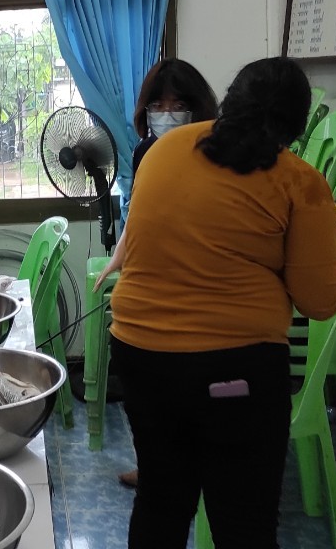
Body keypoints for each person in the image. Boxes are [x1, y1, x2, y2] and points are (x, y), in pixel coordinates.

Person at [109, 57, 336, 547]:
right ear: (296, 125)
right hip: (234, 368)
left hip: (138, 355)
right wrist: (320, 236)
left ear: (227, 100)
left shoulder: (162, 150)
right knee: (243, 519)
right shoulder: (299, 181)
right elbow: (321, 301)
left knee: (161, 496)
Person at [96, 58, 219, 488]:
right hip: (154, 285)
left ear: (199, 107)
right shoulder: (145, 151)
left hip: (198, 288)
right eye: (158, 104)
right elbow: (139, 215)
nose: (167, 113)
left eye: (178, 104)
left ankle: (186, 465)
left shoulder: (218, 154)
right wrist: (118, 260)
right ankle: (154, 463)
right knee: (135, 365)